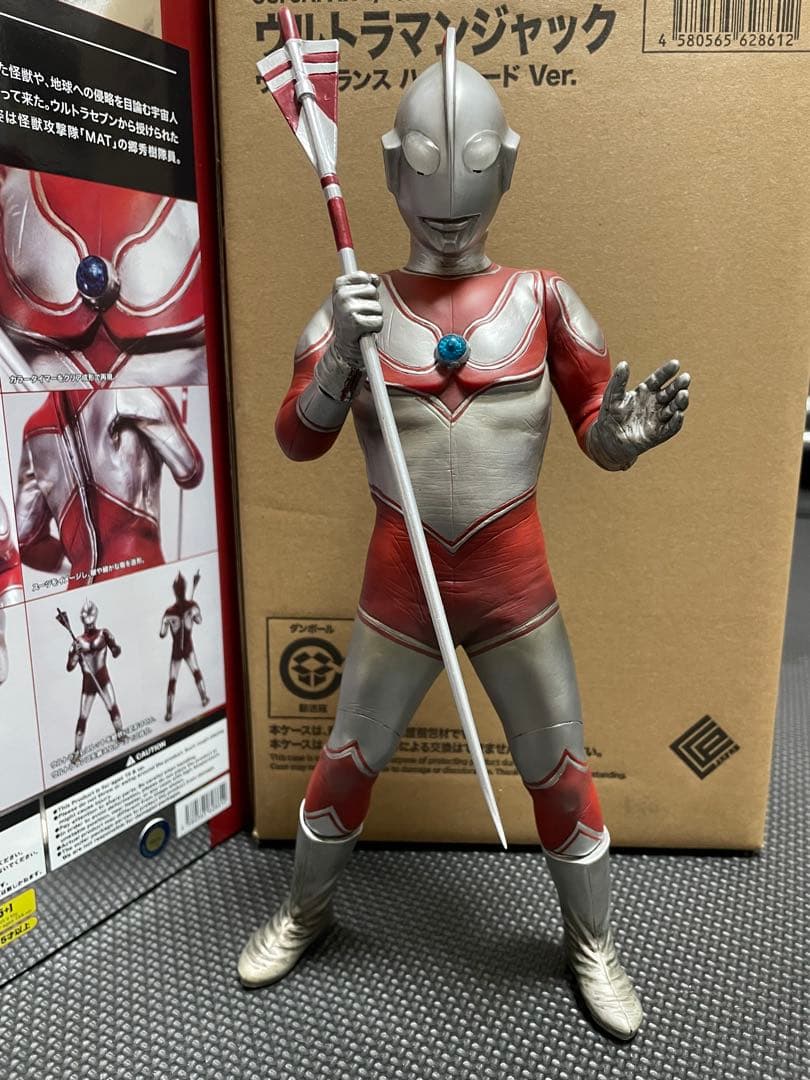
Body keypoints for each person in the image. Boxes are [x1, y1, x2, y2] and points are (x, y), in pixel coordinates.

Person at [239, 34, 690, 1041]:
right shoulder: (356, 304)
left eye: (474, 170)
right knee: (346, 761)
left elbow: (595, 428)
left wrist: (621, 439)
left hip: (513, 589)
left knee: (560, 771)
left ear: (508, 166)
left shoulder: (545, 300)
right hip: (399, 590)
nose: (448, 205)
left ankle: (592, 943)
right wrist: (336, 360)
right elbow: (298, 440)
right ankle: (305, 910)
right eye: (428, 172)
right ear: (390, 171)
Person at [66, 599, 124, 764]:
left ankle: (120, 734)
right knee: (83, 716)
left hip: (103, 678)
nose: (90, 624)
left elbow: (116, 652)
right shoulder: (77, 642)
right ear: (83, 620)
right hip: (88, 684)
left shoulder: (103, 634)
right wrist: (75, 654)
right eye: (87, 621)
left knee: (112, 707)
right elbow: (70, 667)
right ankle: (77, 751)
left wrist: (113, 644)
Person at [160, 571, 209, 722]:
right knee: (196, 671)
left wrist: (169, 623)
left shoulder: (169, 613)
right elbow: (199, 621)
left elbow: (162, 634)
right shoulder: (192, 606)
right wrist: (193, 614)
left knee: (172, 679)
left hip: (176, 651)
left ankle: (169, 712)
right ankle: (204, 698)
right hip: (188, 648)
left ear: (174, 590)